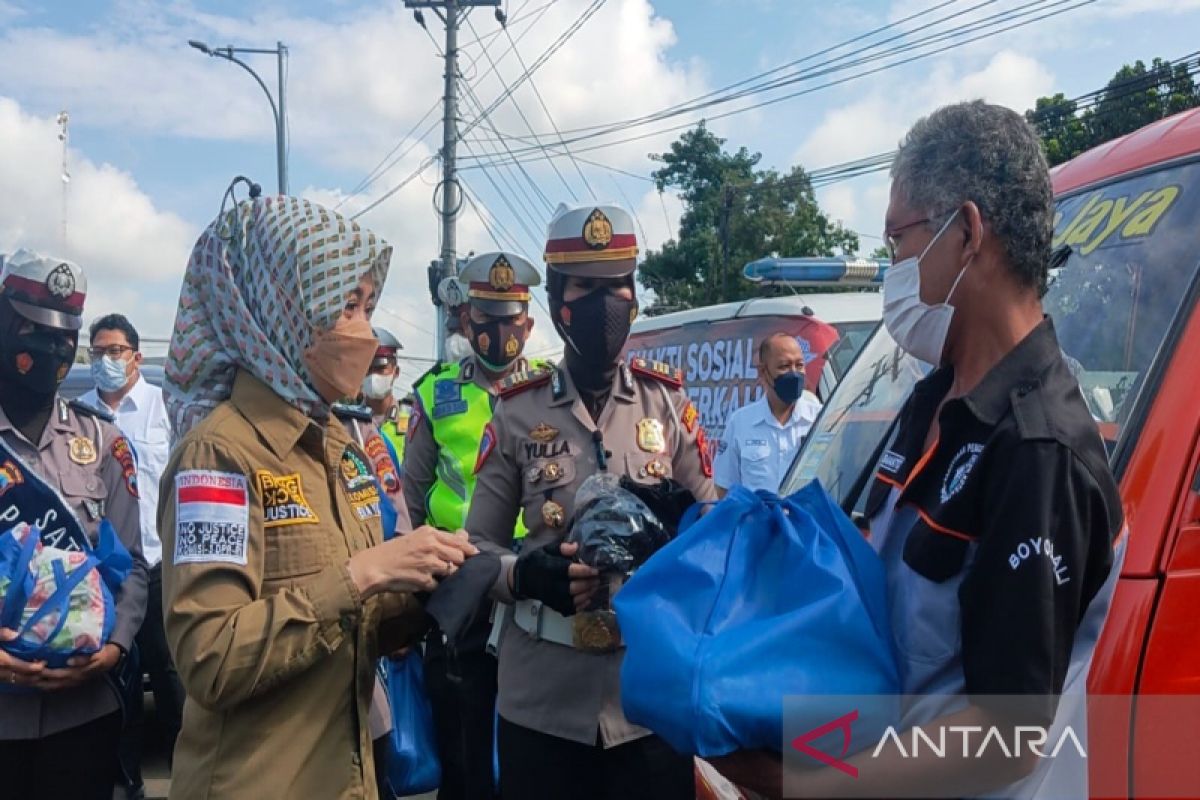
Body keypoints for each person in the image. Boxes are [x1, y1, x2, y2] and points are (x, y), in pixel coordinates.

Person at [712, 102, 1124, 799]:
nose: (892, 272)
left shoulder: (1036, 450)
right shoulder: (935, 401)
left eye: (898, 242)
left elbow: (1006, 736)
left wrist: (803, 782)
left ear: (966, 233)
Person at [158, 188, 476, 800]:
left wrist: (433, 586)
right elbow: (209, 658)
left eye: (367, 306)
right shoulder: (219, 455)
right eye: (344, 308)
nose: (362, 333)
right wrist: (360, 576)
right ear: (278, 309)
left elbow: (351, 625)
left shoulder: (337, 441)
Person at [465, 204, 717, 800]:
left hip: (650, 702)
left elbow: (714, 534)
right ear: (557, 303)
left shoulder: (667, 406)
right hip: (542, 706)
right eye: (585, 287)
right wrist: (526, 575)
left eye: (617, 287)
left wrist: (669, 534)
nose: (605, 304)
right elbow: (474, 549)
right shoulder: (516, 411)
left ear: (634, 296)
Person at [0, 249, 149, 800]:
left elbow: (132, 560)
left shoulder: (103, 439)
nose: (52, 349)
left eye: (65, 337)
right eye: (33, 330)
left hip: (82, 714)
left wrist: (113, 648)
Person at [404, 250, 547, 800]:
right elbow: (412, 494)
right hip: (457, 580)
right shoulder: (436, 391)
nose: (500, 333)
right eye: (486, 319)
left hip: (530, 579)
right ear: (467, 322)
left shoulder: (547, 391)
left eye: (511, 320)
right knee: (461, 731)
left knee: (529, 728)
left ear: (529, 325)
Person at [79, 312, 186, 799]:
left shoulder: (165, 406)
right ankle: (125, 779)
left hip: (162, 562)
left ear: (137, 356)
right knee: (111, 676)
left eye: (115, 351)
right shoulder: (79, 414)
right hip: (103, 570)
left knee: (170, 673)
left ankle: (187, 770)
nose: (106, 360)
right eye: (98, 352)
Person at [712, 331, 822, 496]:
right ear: (763, 372)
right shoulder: (741, 423)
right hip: (758, 521)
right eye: (784, 366)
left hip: (806, 519)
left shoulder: (820, 420)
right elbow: (724, 490)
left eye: (799, 365)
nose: (794, 373)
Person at [361, 327, 408, 460]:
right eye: (367, 369)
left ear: (396, 372)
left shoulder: (411, 424)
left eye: (380, 368)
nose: (373, 376)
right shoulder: (350, 423)